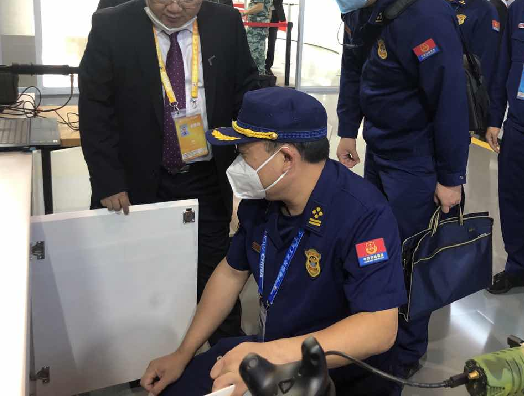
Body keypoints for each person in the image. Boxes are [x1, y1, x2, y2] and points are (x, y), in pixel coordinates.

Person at [140, 87, 407, 397]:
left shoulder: (363, 214)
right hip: (273, 350)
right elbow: (231, 272)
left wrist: (271, 355)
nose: (237, 167)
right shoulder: (262, 201)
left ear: (286, 158)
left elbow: (379, 328)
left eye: (244, 155)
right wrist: (183, 352)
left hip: (336, 374)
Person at [308, 0, 470, 380]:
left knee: (410, 255)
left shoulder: (425, 16)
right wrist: (347, 129)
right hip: (379, 150)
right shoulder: (362, 5)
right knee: (375, 246)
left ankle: (407, 348)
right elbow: (353, 69)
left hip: (416, 162)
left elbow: (450, 102)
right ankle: (373, 326)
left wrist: (450, 178)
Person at [79, 0, 259, 345]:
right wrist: (108, 180)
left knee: (216, 272)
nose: (175, 7)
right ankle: (140, 355)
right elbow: (95, 110)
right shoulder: (112, 26)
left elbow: (245, 87)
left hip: (204, 175)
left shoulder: (224, 23)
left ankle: (226, 355)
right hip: (136, 179)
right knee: (137, 273)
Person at [485, 0, 524, 295]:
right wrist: (494, 118)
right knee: (513, 201)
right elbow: (503, 66)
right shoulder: (521, 8)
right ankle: (518, 267)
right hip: (519, 126)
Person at [241, 0, 274, 74]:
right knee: (260, 52)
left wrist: (245, 12)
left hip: (256, 26)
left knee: (254, 53)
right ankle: (261, 75)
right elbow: (269, 8)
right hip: (263, 24)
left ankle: (256, 78)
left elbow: (259, 6)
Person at [258, 0, 286, 75]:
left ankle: (268, 65)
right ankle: (259, 64)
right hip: (261, 15)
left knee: (272, 41)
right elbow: (258, 0)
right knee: (260, 40)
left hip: (274, 15)